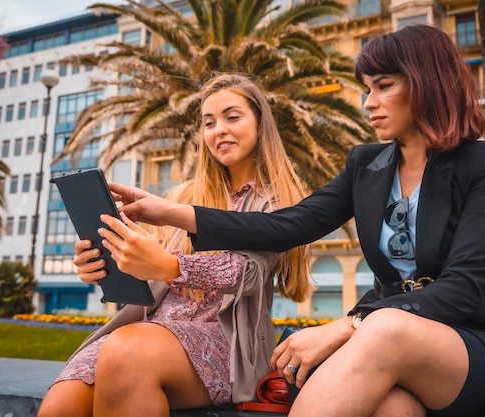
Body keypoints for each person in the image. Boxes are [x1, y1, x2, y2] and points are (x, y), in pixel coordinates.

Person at [108, 25, 485, 417]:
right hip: (387, 343)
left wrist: (350, 325)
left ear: (426, 83)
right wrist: (168, 212)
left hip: (471, 345)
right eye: (366, 88)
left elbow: (464, 286)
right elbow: (287, 227)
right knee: (389, 409)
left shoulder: (483, 163)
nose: (368, 103)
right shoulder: (367, 165)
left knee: (387, 328)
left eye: (383, 86)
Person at [37, 73, 311, 417]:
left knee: (127, 351)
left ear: (260, 123)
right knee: (59, 405)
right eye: (208, 122)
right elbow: (149, 270)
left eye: (232, 117)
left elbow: (249, 273)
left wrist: (172, 267)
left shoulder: (279, 200)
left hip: (225, 340)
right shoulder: (183, 196)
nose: (219, 130)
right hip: (150, 326)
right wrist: (107, 259)